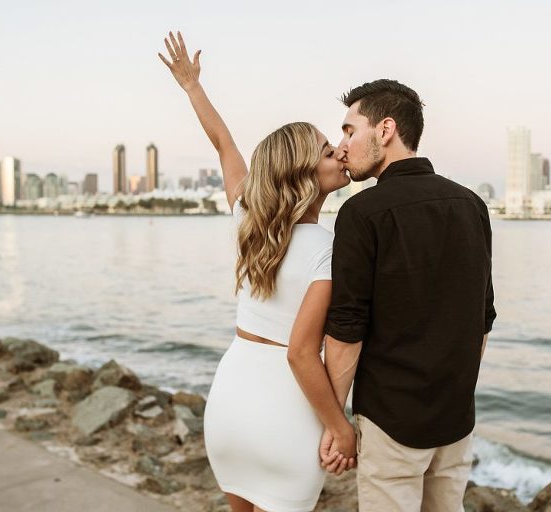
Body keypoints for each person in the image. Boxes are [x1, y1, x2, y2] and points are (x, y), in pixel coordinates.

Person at [158, 32, 357, 512]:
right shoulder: (326, 247)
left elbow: (223, 144)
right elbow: (302, 355)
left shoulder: (248, 217)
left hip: (229, 404)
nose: (341, 155)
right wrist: (340, 428)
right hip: (285, 417)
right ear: (304, 174)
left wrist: (193, 88)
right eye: (329, 152)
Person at [321, 79, 497, 511]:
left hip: (391, 420)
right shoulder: (471, 204)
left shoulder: (361, 213)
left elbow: (346, 329)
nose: (343, 146)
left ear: (385, 130)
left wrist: (333, 421)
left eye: (349, 131)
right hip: (456, 419)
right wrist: (458, 391)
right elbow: (483, 318)